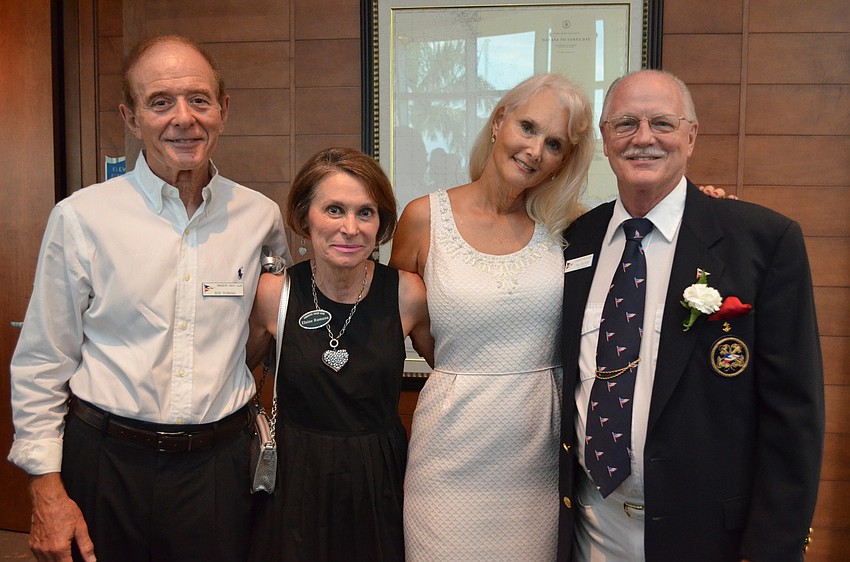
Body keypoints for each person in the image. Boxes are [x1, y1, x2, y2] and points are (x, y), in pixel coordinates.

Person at [8, 35, 291, 562]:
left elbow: (265, 330)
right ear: (131, 118)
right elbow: (43, 360)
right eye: (160, 102)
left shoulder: (260, 218)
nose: (184, 118)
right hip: (106, 464)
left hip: (219, 470)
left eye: (199, 100)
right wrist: (45, 489)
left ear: (223, 110)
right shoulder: (81, 217)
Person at [558, 69, 823, 561]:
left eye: (662, 123)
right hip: (590, 529)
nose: (643, 138)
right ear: (605, 138)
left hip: (707, 536)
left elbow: (794, 416)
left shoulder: (761, 243)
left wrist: (772, 549)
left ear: (691, 136)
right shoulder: (575, 241)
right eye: (625, 124)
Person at [390, 73, 595, 560]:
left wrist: (709, 210)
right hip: (448, 453)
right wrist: (469, 371)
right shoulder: (423, 218)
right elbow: (407, 324)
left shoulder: (570, 227)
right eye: (528, 127)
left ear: (564, 160)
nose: (535, 150)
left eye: (554, 144)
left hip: (539, 458)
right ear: (500, 120)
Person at [246, 147, 433, 561]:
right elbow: (233, 377)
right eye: (334, 210)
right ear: (304, 216)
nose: (350, 228)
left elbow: (454, 373)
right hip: (295, 478)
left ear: (381, 223)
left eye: (365, 213)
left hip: (379, 478)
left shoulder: (407, 293)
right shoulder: (274, 294)